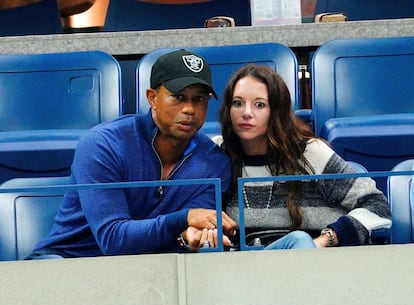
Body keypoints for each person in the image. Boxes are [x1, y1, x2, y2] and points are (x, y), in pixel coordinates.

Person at [27, 49, 236, 259]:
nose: (189, 109)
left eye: (199, 99)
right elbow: (113, 240)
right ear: (152, 98)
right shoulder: (103, 144)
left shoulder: (215, 163)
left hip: (152, 268)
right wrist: (183, 220)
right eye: (178, 97)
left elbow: (186, 233)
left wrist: (186, 237)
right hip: (69, 263)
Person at [214, 64, 392, 249]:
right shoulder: (217, 152)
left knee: (299, 240)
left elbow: (377, 206)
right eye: (238, 103)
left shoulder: (309, 153)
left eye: (259, 104)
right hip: (245, 266)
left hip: (311, 261)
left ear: (276, 111)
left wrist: (323, 240)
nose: (246, 113)